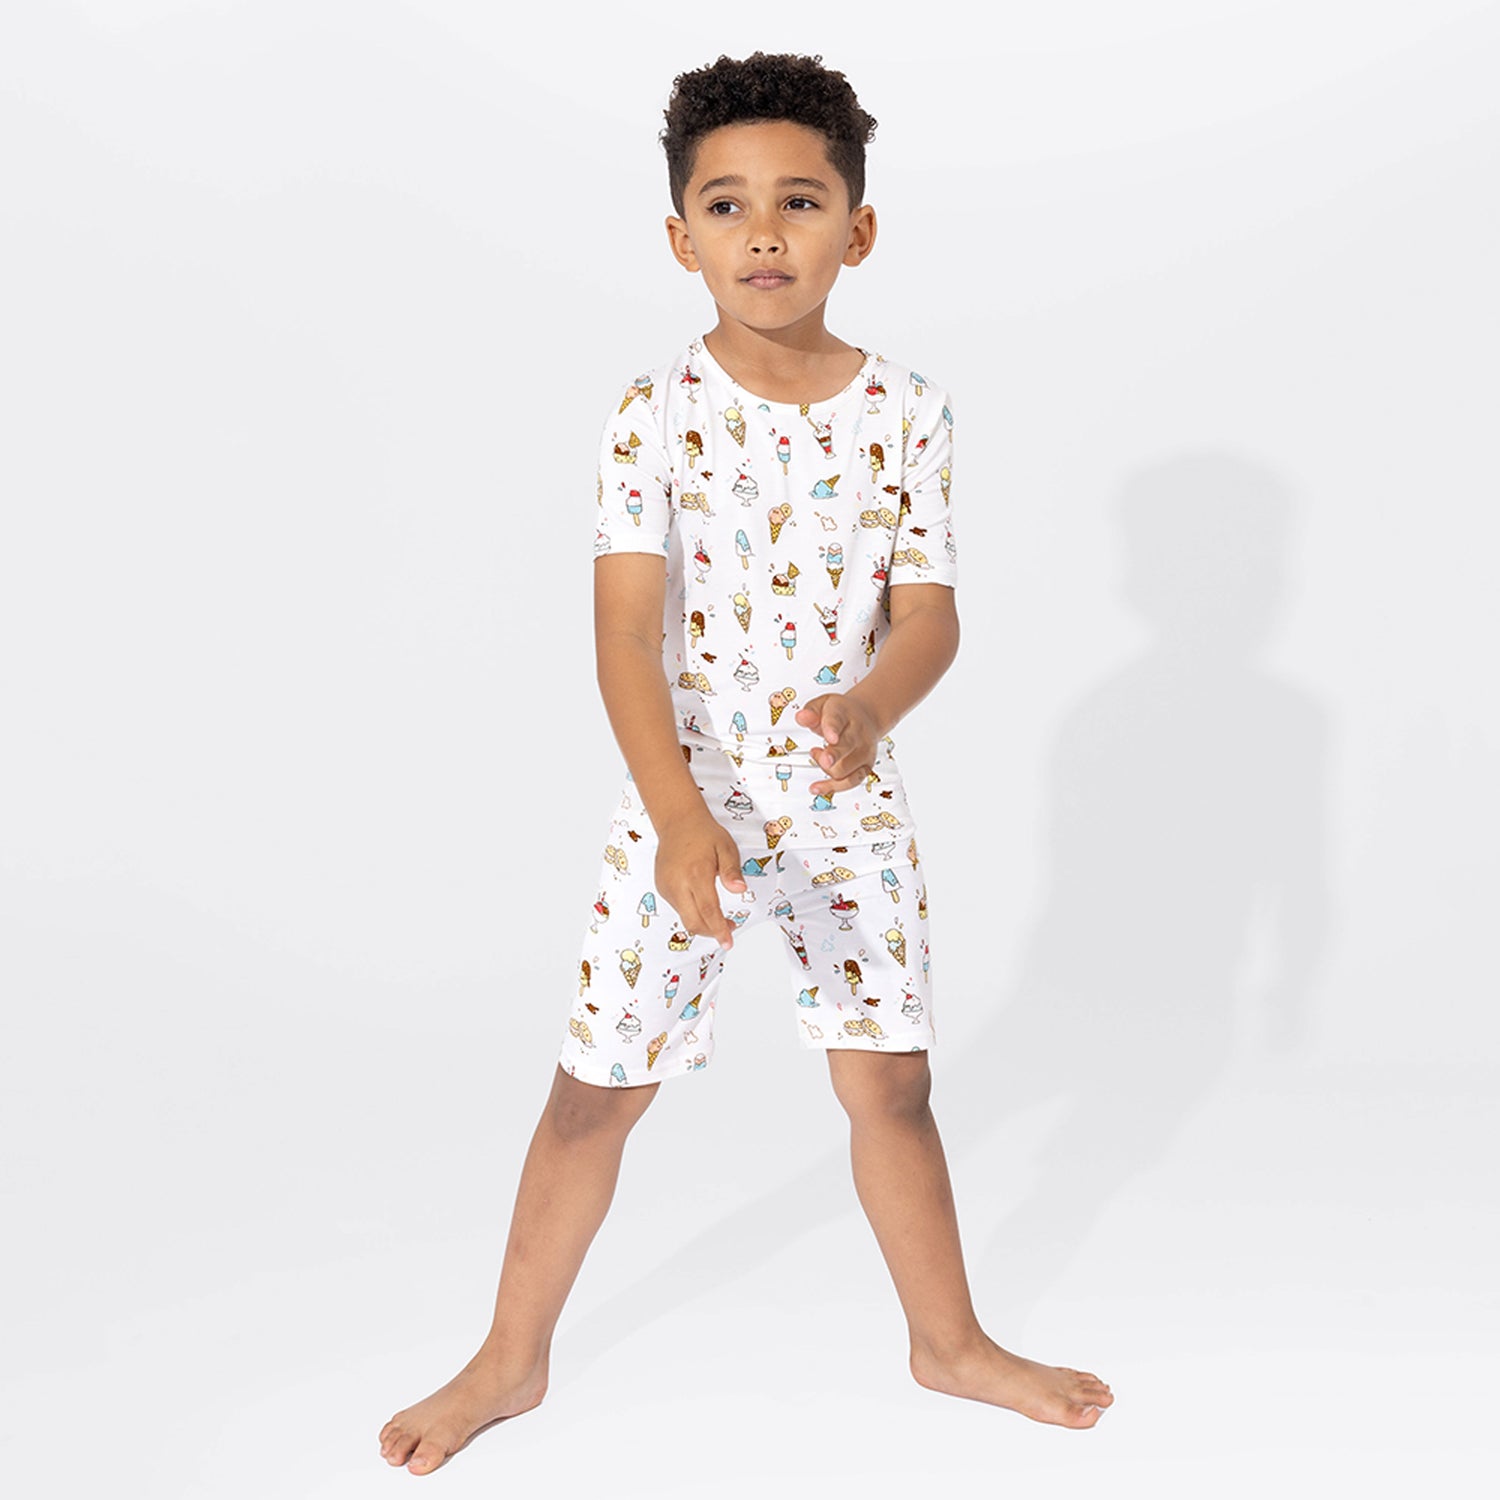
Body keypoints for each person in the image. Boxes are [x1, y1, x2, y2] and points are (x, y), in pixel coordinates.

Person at [379, 50, 1113, 1476]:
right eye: (727, 205)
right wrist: (675, 815)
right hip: (687, 806)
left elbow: (930, 616)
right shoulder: (651, 411)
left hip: (846, 802)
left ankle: (950, 1343)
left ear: (859, 228)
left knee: (890, 1087)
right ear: (681, 238)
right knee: (596, 1089)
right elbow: (625, 632)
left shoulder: (908, 411)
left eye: (800, 201)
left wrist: (871, 710)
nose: (764, 232)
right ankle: (508, 1359)